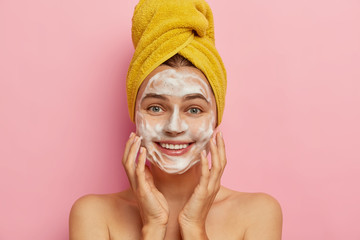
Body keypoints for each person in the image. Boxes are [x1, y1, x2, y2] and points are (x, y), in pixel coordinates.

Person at [69, 1, 282, 239]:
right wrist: (153, 226)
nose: (174, 127)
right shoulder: (93, 215)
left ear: (215, 118)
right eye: (156, 107)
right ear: (135, 115)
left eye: (193, 110)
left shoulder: (257, 214)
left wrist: (194, 227)